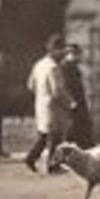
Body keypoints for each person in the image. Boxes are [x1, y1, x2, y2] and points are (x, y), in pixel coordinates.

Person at [25, 33, 70, 173]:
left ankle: (31, 158)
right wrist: (69, 103)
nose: (63, 54)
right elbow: (58, 90)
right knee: (56, 137)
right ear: (55, 50)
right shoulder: (54, 68)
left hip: (41, 104)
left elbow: (30, 85)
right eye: (61, 50)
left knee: (44, 136)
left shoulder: (39, 64)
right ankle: (53, 165)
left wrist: (41, 95)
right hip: (53, 107)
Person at [63, 43, 94, 149]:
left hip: (79, 101)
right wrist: (70, 101)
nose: (80, 57)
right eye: (78, 54)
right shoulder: (65, 67)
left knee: (81, 127)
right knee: (74, 128)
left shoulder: (74, 67)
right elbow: (65, 86)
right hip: (73, 102)